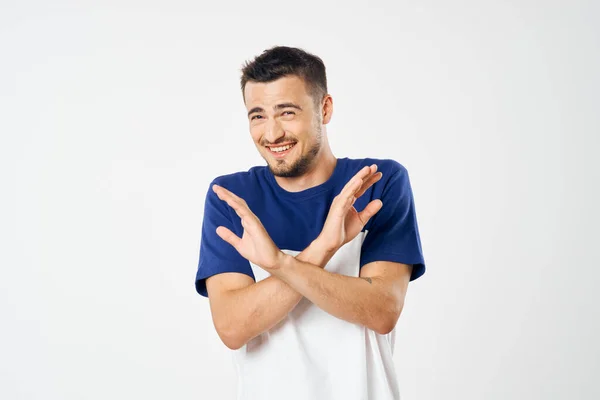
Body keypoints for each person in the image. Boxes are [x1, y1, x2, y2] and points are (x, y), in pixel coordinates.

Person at [195, 45, 426, 400]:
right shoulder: (231, 197)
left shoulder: (377, 182)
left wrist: (279, 264)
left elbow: (382, 311)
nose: (271, 135)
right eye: (257, 116)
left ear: (325, 108)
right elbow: (233, 326)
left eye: (286, 113)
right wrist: (322, 248)